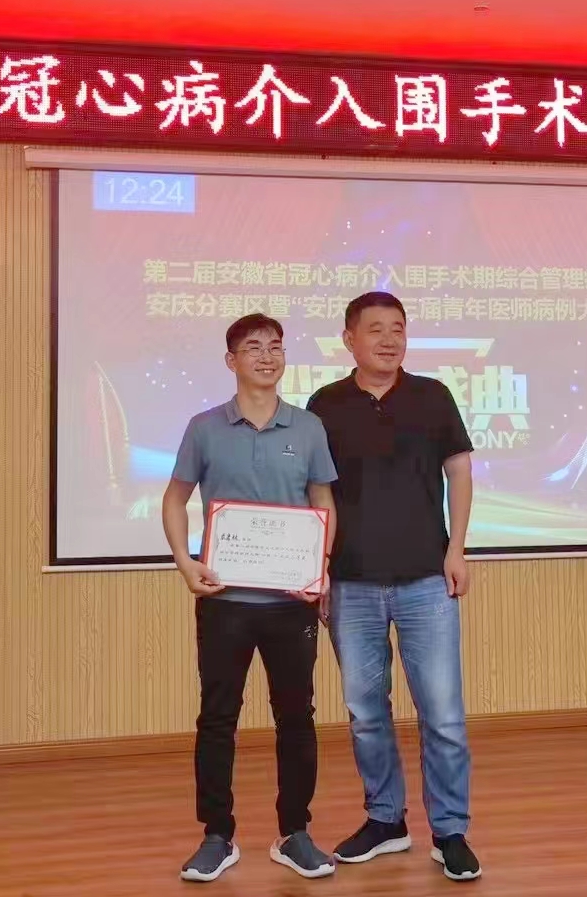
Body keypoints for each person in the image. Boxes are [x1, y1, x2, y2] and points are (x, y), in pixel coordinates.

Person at [307, 291, 482, 883]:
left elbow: (459, 471)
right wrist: (317, 569)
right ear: (349, 338)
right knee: (365, 712)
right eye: (376, 328)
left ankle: (450, 831)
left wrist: (456, 549)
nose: (389, 339)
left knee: (444, 714)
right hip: (351, 582)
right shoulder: (325, 404)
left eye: (398, 328)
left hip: (426, 578)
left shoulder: (432, 395)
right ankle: (386, 820)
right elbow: (317, 492)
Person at [162, 313, 339, 883]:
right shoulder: (205, 427)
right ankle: (217, 836)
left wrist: (320, 567)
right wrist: (185, 562)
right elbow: (174, 498)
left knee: (297, 716)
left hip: (291, 602)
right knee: (218, 717)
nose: (267, 356)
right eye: (254, 347)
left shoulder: (308, 427)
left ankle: (295, 833)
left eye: (276, 346)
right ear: (231, 360)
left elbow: (323, 502)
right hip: (225, 601)